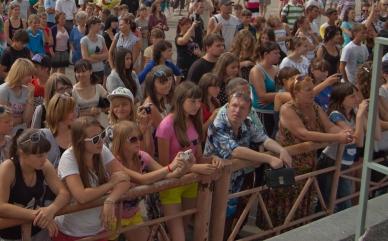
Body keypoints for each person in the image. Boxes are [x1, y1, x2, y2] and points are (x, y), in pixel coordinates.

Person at [260, 74, 355, 230]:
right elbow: (304, 134)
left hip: (308, 166)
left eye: (312, 89)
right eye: (308, 90)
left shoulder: (315, 107)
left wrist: (344, 133)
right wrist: (336, 137)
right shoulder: (287, 109)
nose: (313, 93)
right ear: (296, 93)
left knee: (303, 208)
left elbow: (329, 126)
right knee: (285, 211)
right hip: (288, 167)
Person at [205, 89, 292, 239]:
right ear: (227, 107)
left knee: (228, 223)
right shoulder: (218, 125)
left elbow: (264, 139)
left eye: (242, 108)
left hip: (234, 184)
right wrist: (268, 158)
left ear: (248, 112)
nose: (237, 110)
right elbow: (236, 151)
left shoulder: (247, 123)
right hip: (212, 184)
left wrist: (281, 150)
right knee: (210, 225)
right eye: (234, 106)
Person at [156, 82, 224, 241]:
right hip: (172, 185)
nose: (197, 105)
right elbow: (164, 166)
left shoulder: (195, 121)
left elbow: (199, 157)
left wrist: (214, 158)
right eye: (192, 101)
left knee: (182, 229)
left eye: (199, 101)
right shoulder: (166, 125)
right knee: (178, 236)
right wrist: (196, 168)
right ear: (180, 100)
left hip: (191, 183)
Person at [109, 119, 193, 240]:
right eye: (132, 139)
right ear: (120, 142)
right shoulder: (114, 162)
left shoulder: (142, 156)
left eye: (139, 137)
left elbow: (166, 175)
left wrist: (184, 168)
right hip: (112, 216)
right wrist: (170, 167)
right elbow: (141, 179)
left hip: (133, 214)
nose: (138, 142)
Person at [54, 117, 131, 241]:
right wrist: (111, 183)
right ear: (80, 142)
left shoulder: (101, 150)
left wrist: (110, 200)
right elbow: (81, 196)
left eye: (102, 134)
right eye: (95, 139)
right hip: (72, 233)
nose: (101, 141)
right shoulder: (69, 158)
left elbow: (124, 180)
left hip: (99, 230)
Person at [0, 128, 71, 241]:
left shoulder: (44, 165)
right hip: (11, 235)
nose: (44, 159)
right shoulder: (8, 168)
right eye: (39, 156)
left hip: (39, 231)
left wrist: (51, 209)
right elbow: (0, 206)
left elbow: (64, 193)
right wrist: (41, 216)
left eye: (46, 154)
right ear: (22, 154)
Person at [0, 58, 36, 135]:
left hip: (22, 133)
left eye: (31, 75)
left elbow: (27, 120)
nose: (31, 78)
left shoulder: (26, 90)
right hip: (6, 135)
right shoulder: (3, 90)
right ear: (19, 74)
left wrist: (31, 97)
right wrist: (22, 119)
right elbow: (2, 121)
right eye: (28, 75)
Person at [249, 41, 281, 137]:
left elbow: (285, 90)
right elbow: (262, 96)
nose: (279, 56)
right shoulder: (256, 71)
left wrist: (271, 99)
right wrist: (279, 96)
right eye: (276, 53)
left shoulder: (277, 69)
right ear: (266, 54)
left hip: (276, 112)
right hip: (262, 114)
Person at [81, 16, 109, 83]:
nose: (100, 26)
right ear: (92, 26)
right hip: (90, 71)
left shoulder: (101, 38)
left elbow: (107, 55)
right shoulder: (84, 40)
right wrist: (101, 58)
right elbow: (86, 59)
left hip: (100, 69)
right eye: (98, 25)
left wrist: (94, 56)